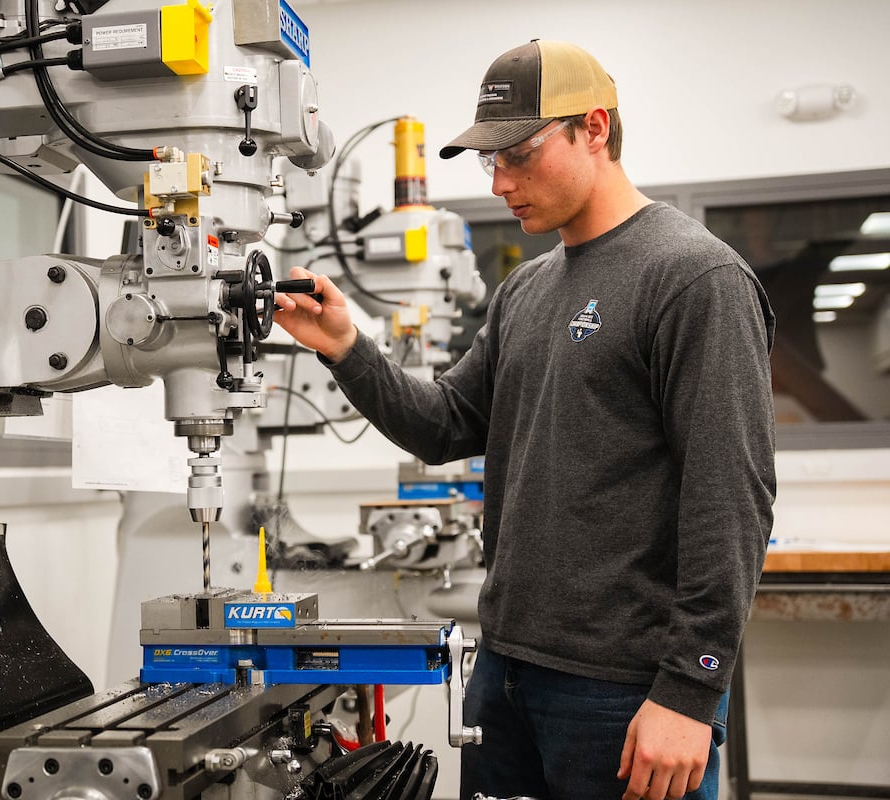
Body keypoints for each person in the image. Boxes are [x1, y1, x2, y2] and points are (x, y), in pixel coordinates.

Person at [275, 39, 776, 800]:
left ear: (596, 129)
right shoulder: (526, 290)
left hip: (622, 690)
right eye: (489, 162)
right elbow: (446, 425)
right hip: (505, 674)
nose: (502, 182)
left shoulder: (695, 277)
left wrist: (691, 689)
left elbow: (730, 496)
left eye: (521, 155)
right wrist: (348, 347)